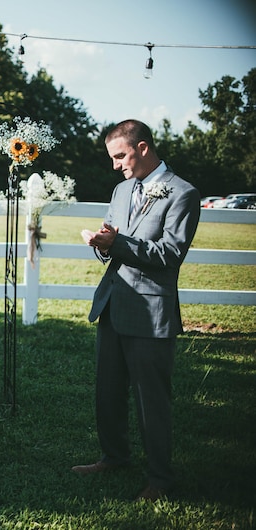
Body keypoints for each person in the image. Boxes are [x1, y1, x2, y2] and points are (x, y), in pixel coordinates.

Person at [77, 119, 200, 501]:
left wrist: (117, 243)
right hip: (114, 302)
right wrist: (102, 242)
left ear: (143, 148)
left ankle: (161, 479)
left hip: (150, 311)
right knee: (108, 391)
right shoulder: (121, 189)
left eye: (121, 156)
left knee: (151, 400)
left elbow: (169, 254)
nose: (116, 165)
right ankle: (114, 457)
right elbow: (116, 240)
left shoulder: (183, 193)